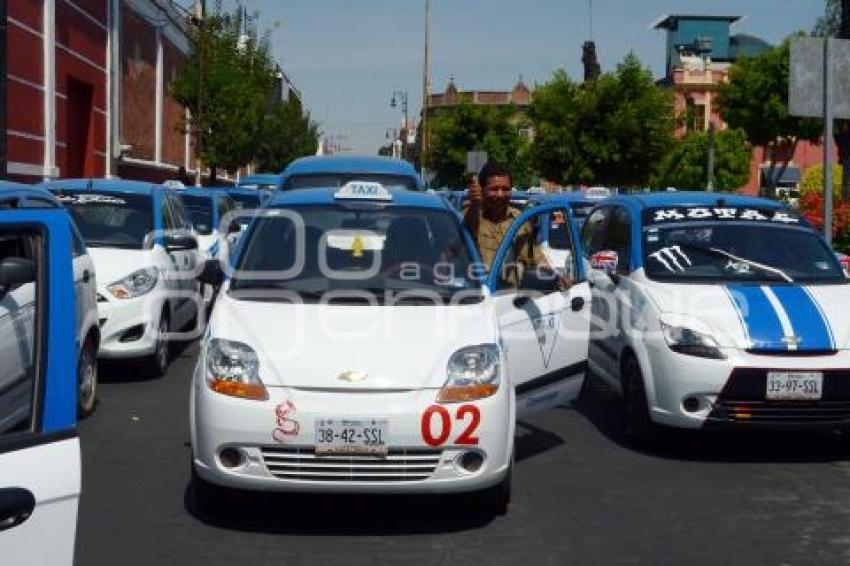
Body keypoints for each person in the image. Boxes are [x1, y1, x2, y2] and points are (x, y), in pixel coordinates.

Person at [463, 161, 551, 286]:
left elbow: (535, 258)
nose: (500, 195)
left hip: (509, 299)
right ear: (482, 190)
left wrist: (555, 278)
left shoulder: (519, 220)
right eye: (494, 189)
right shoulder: (471, 216)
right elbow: (466, 230)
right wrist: (475, 205)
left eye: (505, 189)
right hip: (477, 298)